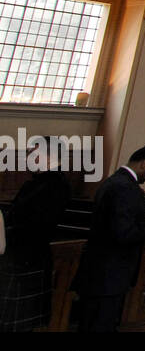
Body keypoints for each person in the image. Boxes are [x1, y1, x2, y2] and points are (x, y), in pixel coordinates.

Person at [73, 145, 145, 332]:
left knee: (90, 323)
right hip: (110, 273)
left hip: (98, 271)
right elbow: (123, 232)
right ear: (144, 163)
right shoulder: (126, 188)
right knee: (101, 324)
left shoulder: (112, 181)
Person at [0, 136, 72, 332]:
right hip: (17, 257)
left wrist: (6, 232)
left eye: (33, 152)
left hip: (27, 259)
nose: (28, 156)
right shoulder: (36, 183)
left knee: (16, 324)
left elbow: (38, 226)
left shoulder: (56, 185)